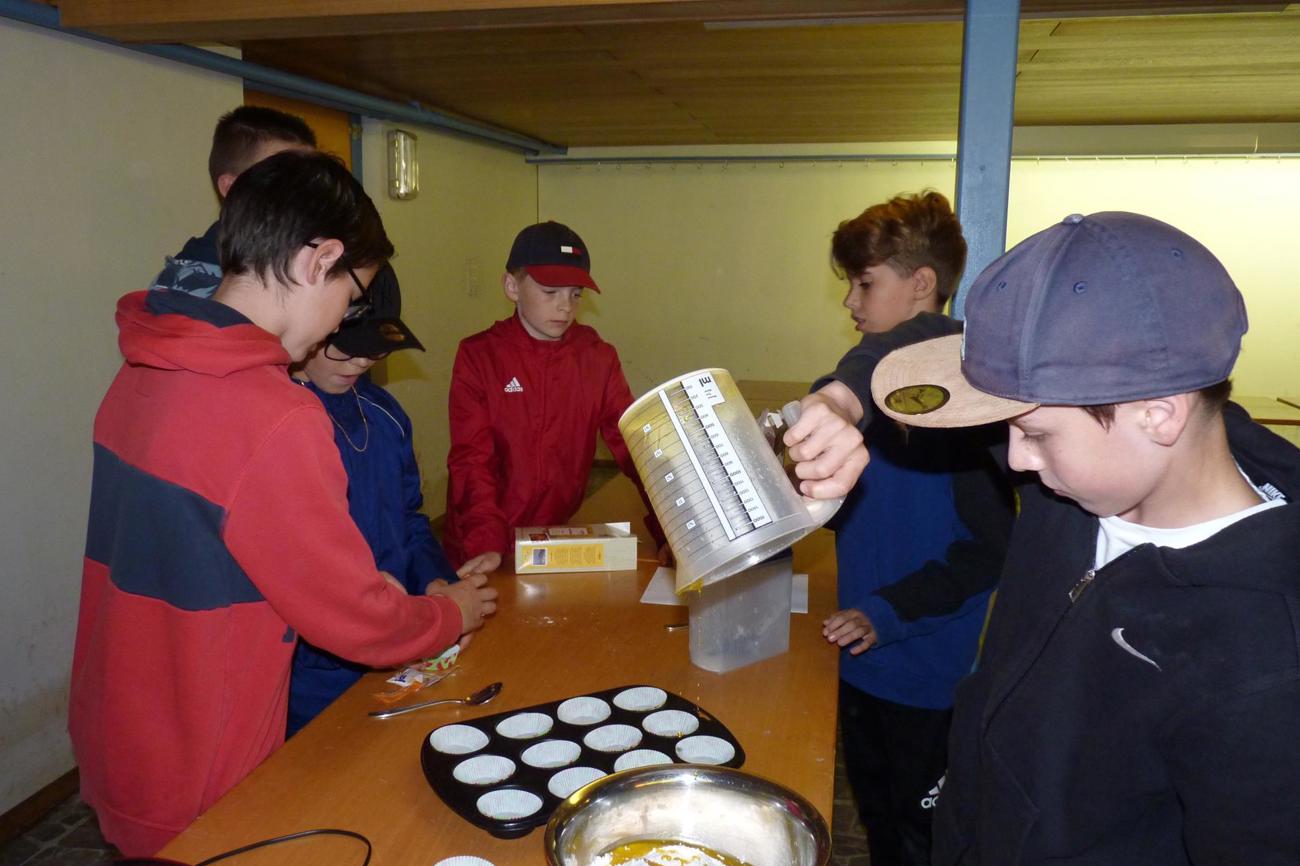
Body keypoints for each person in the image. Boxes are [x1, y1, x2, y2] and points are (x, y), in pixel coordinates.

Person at [834, 211, 1299, 864]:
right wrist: (841, 402)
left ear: (1158, 415)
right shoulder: (1083, 485)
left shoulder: (1265, 659)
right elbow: (929, 340)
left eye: (1036, 434)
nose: (1015, 461)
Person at [69, 150, 498, 856]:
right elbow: (355, 622)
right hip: (207, 769)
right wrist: (449, 611)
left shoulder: (142, 370)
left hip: (121, 738)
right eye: (351, 295)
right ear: (315, 259)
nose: (340, 324)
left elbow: (204, 560)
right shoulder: (273, 415)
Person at [815, 192, 1012, 866]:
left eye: (865, 283)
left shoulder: (970, 412)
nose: (850, 302)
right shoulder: (854, 391)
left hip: (928, 672)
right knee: (874, 821)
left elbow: (989, 553)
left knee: (921, 837)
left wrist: (887, 612)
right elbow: (845, 512)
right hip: (855, 658)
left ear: (921, 284)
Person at [286, 263, 460, 737]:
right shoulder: (288, 423)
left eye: (374, 351)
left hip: (396, 639)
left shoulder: (386, 413)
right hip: (312, 666)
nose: (362, 364)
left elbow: (411, 517)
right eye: (346, 349)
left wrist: (436, 582)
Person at [441, 220, 667, 575]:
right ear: (512, 286)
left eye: (575, 294)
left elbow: (638, 449)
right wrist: (485, 541)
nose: (565, 306)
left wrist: (670, 529)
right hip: (480, 540)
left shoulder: (597, 358)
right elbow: (472, 461)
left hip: (552, 537)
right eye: (551, 292)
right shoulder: (479, 357)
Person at [151, 105, 317, 297]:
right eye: (279, 178)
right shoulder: (187, 292)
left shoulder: (308, 261)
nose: (306, 192)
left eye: (311, 178)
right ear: (232, 188)